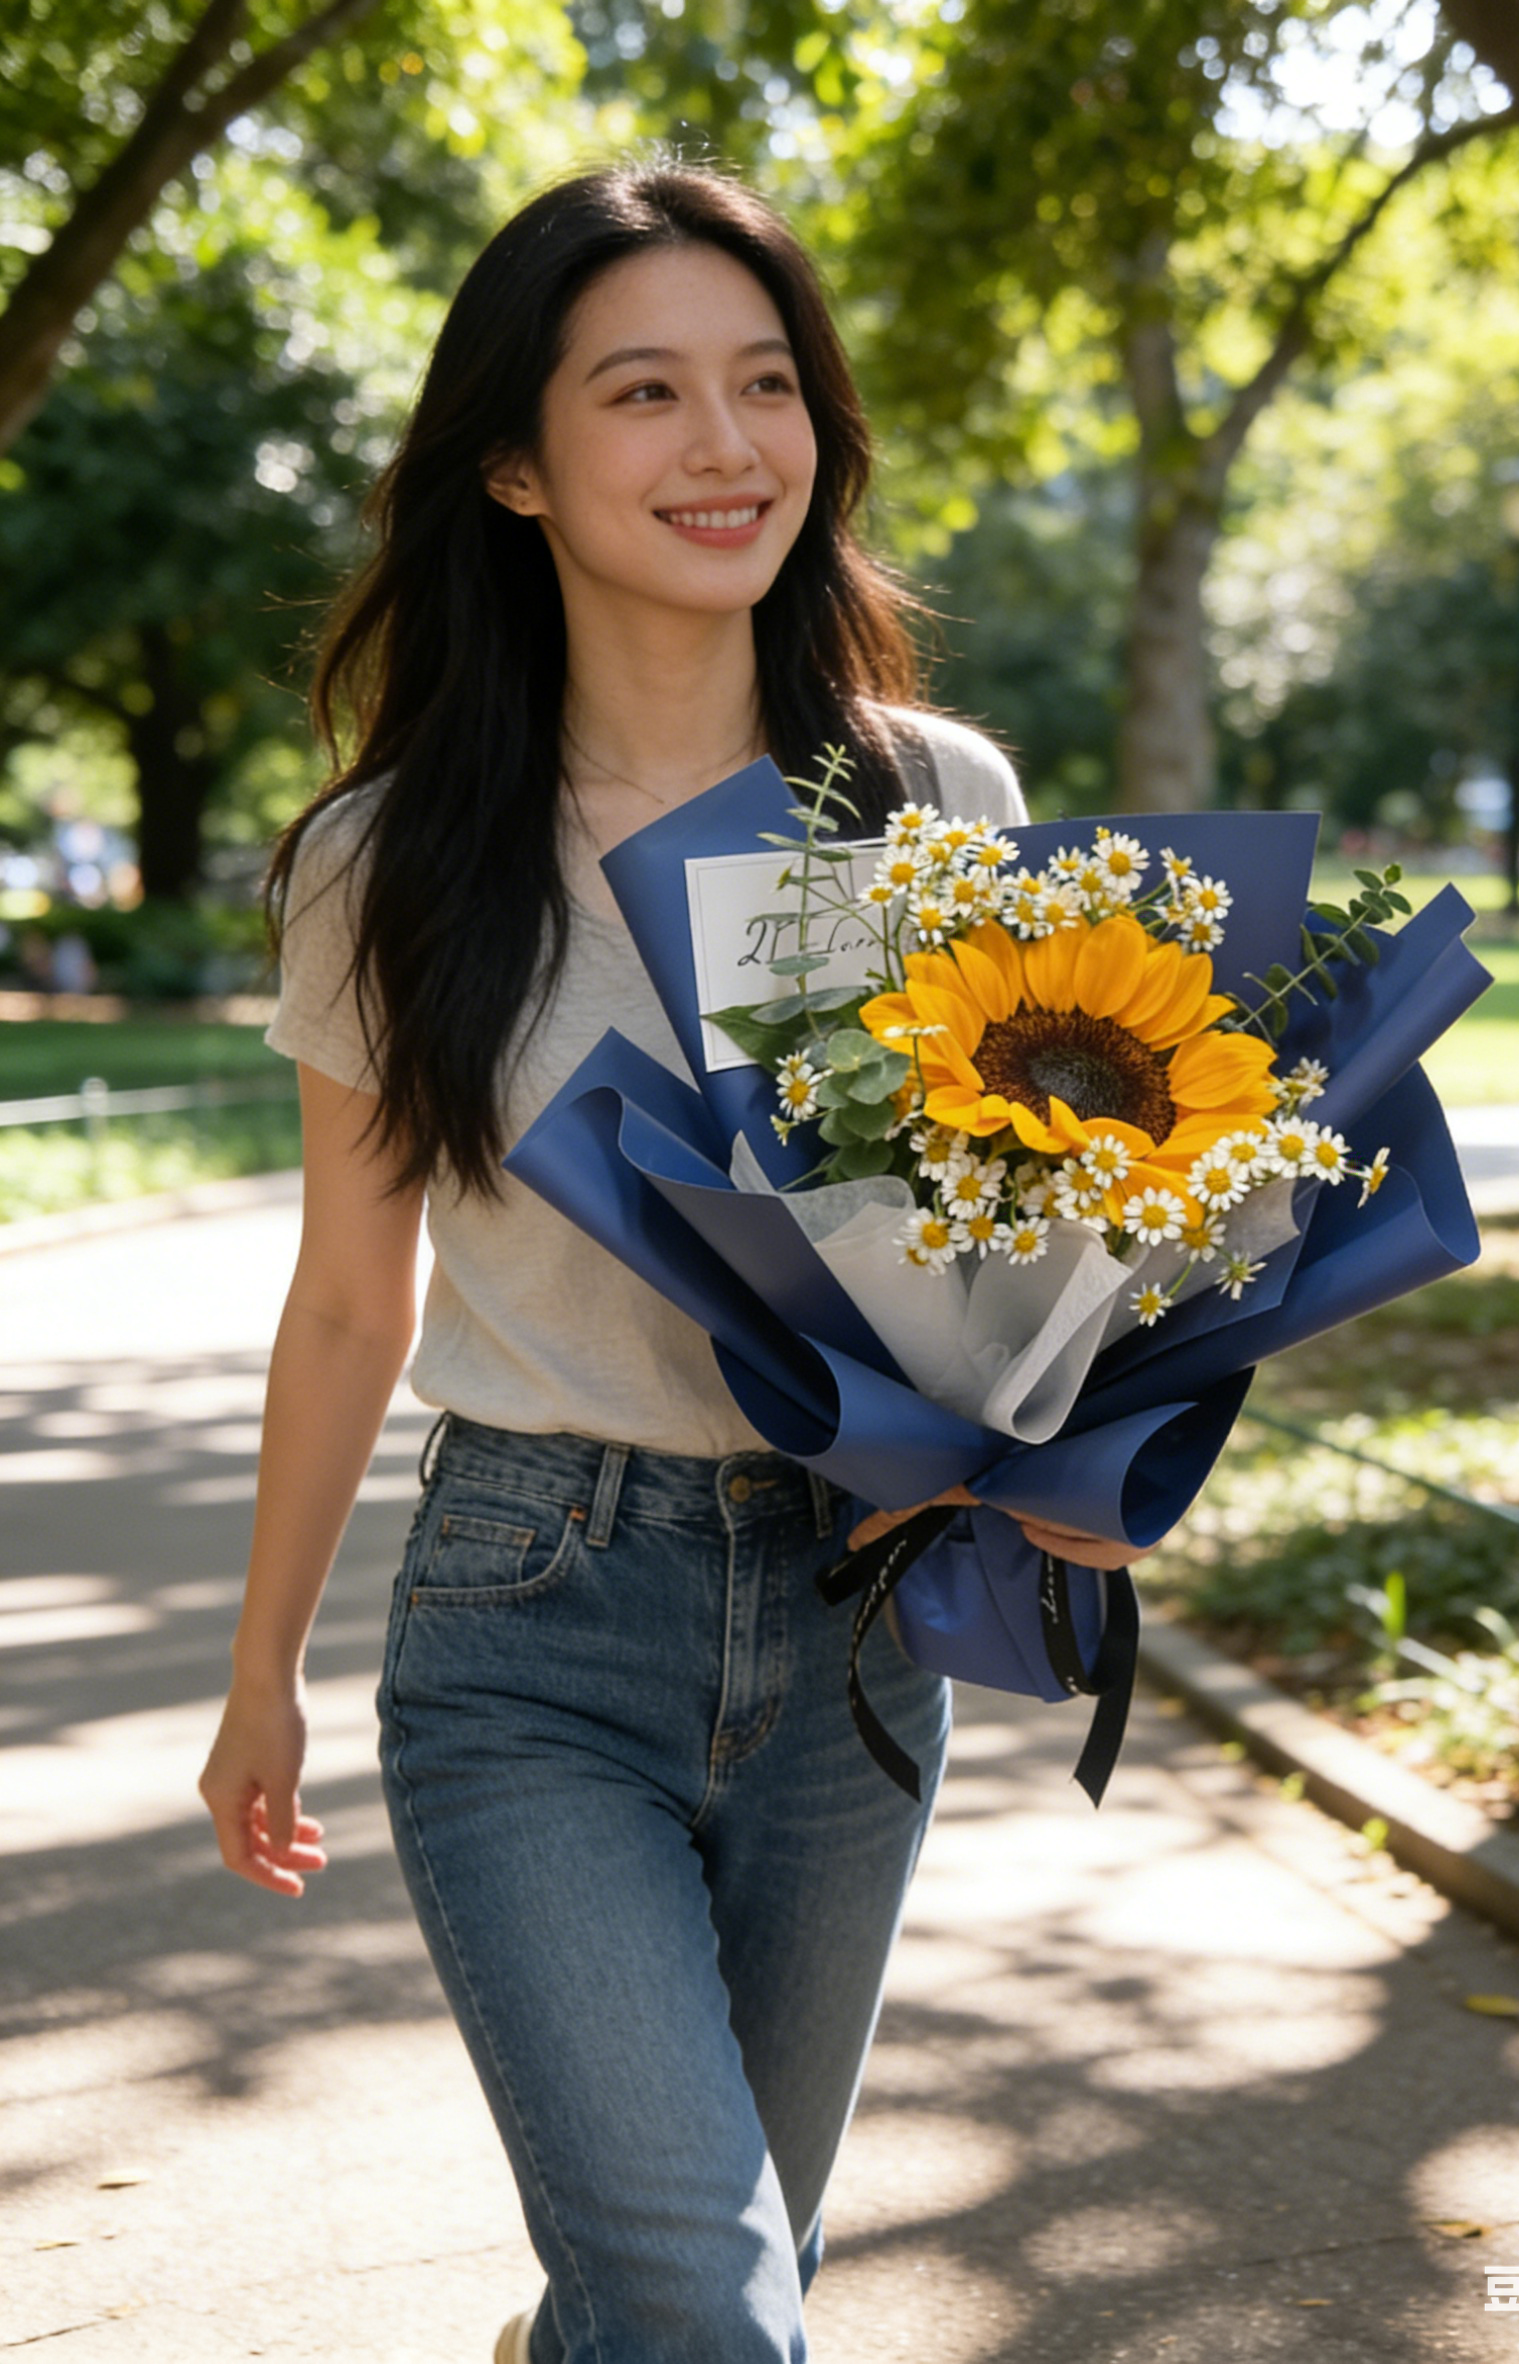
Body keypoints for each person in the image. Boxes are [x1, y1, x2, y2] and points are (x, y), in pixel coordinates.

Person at [198, 160, 1134, 2364]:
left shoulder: (928, 801)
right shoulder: (391, 856)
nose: (729, 447)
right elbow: (352, 1295)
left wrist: (1047, 1414)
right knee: (712, 2316)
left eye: (766, 385)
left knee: (701, 2288)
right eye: (645, 393)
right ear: (514, 465)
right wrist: (263, 1666)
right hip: (534, 1621)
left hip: (852, 1629)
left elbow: (1023, 1242)